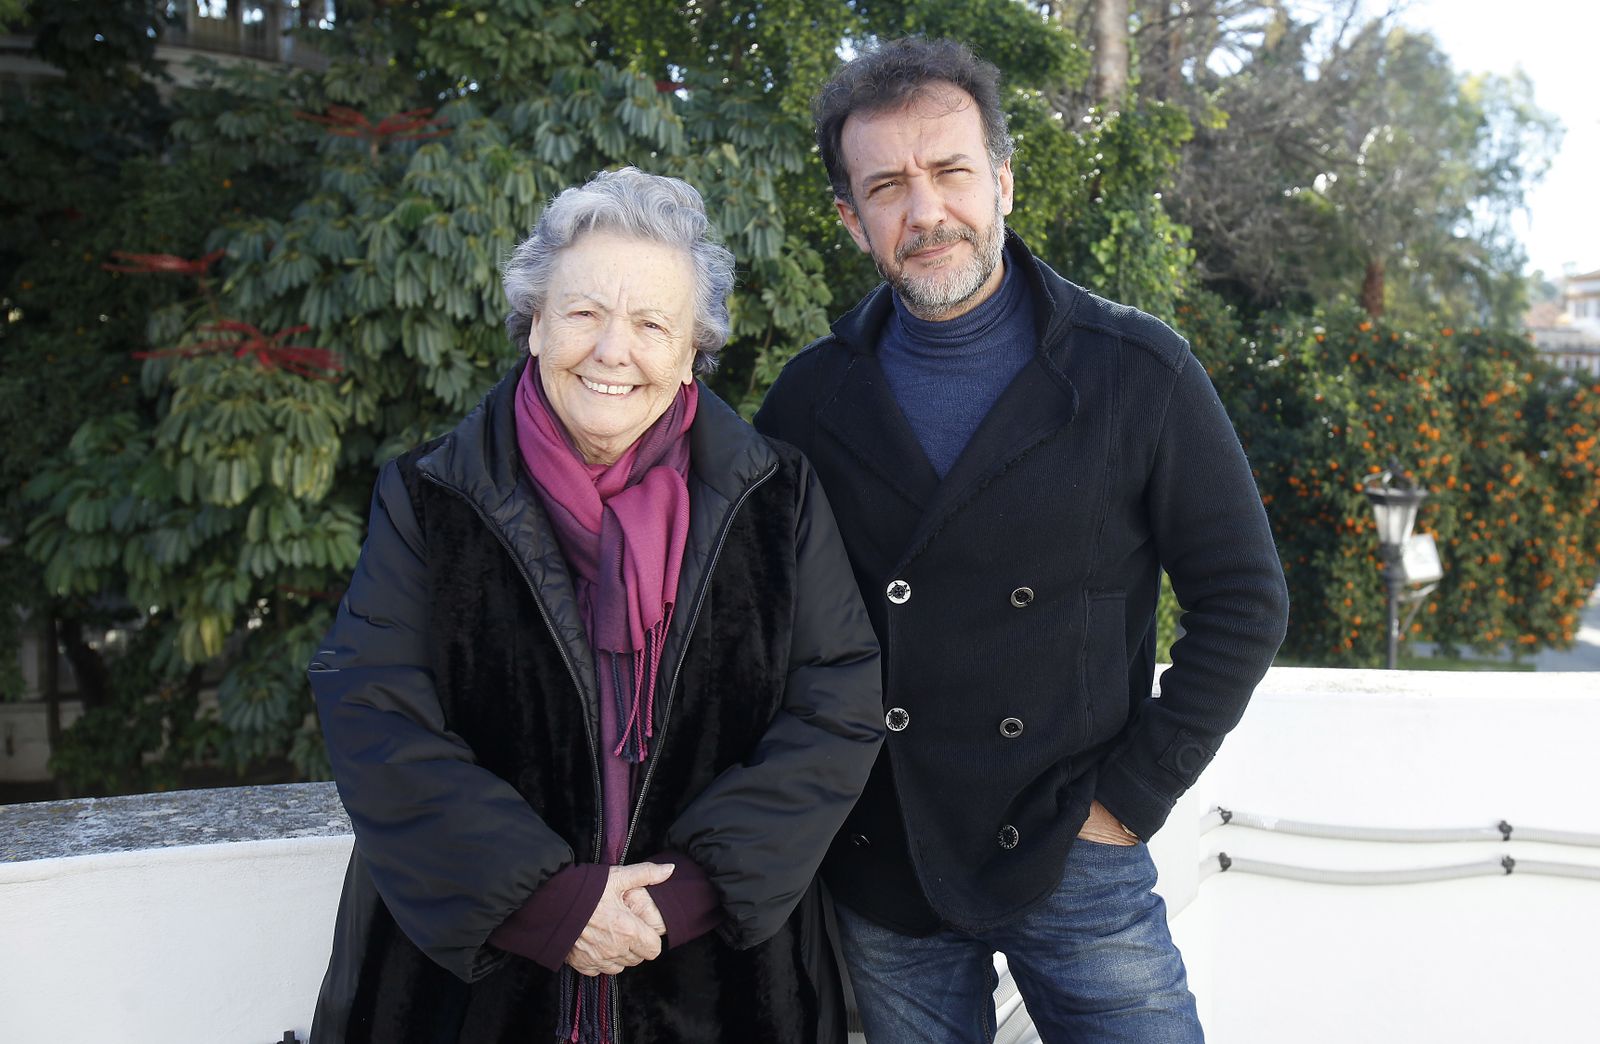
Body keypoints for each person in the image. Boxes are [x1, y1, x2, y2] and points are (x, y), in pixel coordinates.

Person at [754, 38, 1290, 1043]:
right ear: (849, 218)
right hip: (882, 855)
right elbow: (763, 628)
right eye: (886, 186)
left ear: (1000, 178)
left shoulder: (1136, 370)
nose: (925, 213)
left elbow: (1244, 601)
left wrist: (1128, 800)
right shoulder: (810, 398)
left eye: (950, 171)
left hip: (1073, 846)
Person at [309, 167, 885, 1044]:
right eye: (583, 313)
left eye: (653, 323)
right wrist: (548, 901)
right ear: (535, 324)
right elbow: (372, 707)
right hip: (479, 987)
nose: (614, 350)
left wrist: (691, 891)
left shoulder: (777, 497)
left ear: (695, 347)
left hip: (717, 983)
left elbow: (837, 703)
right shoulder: (431, 493)